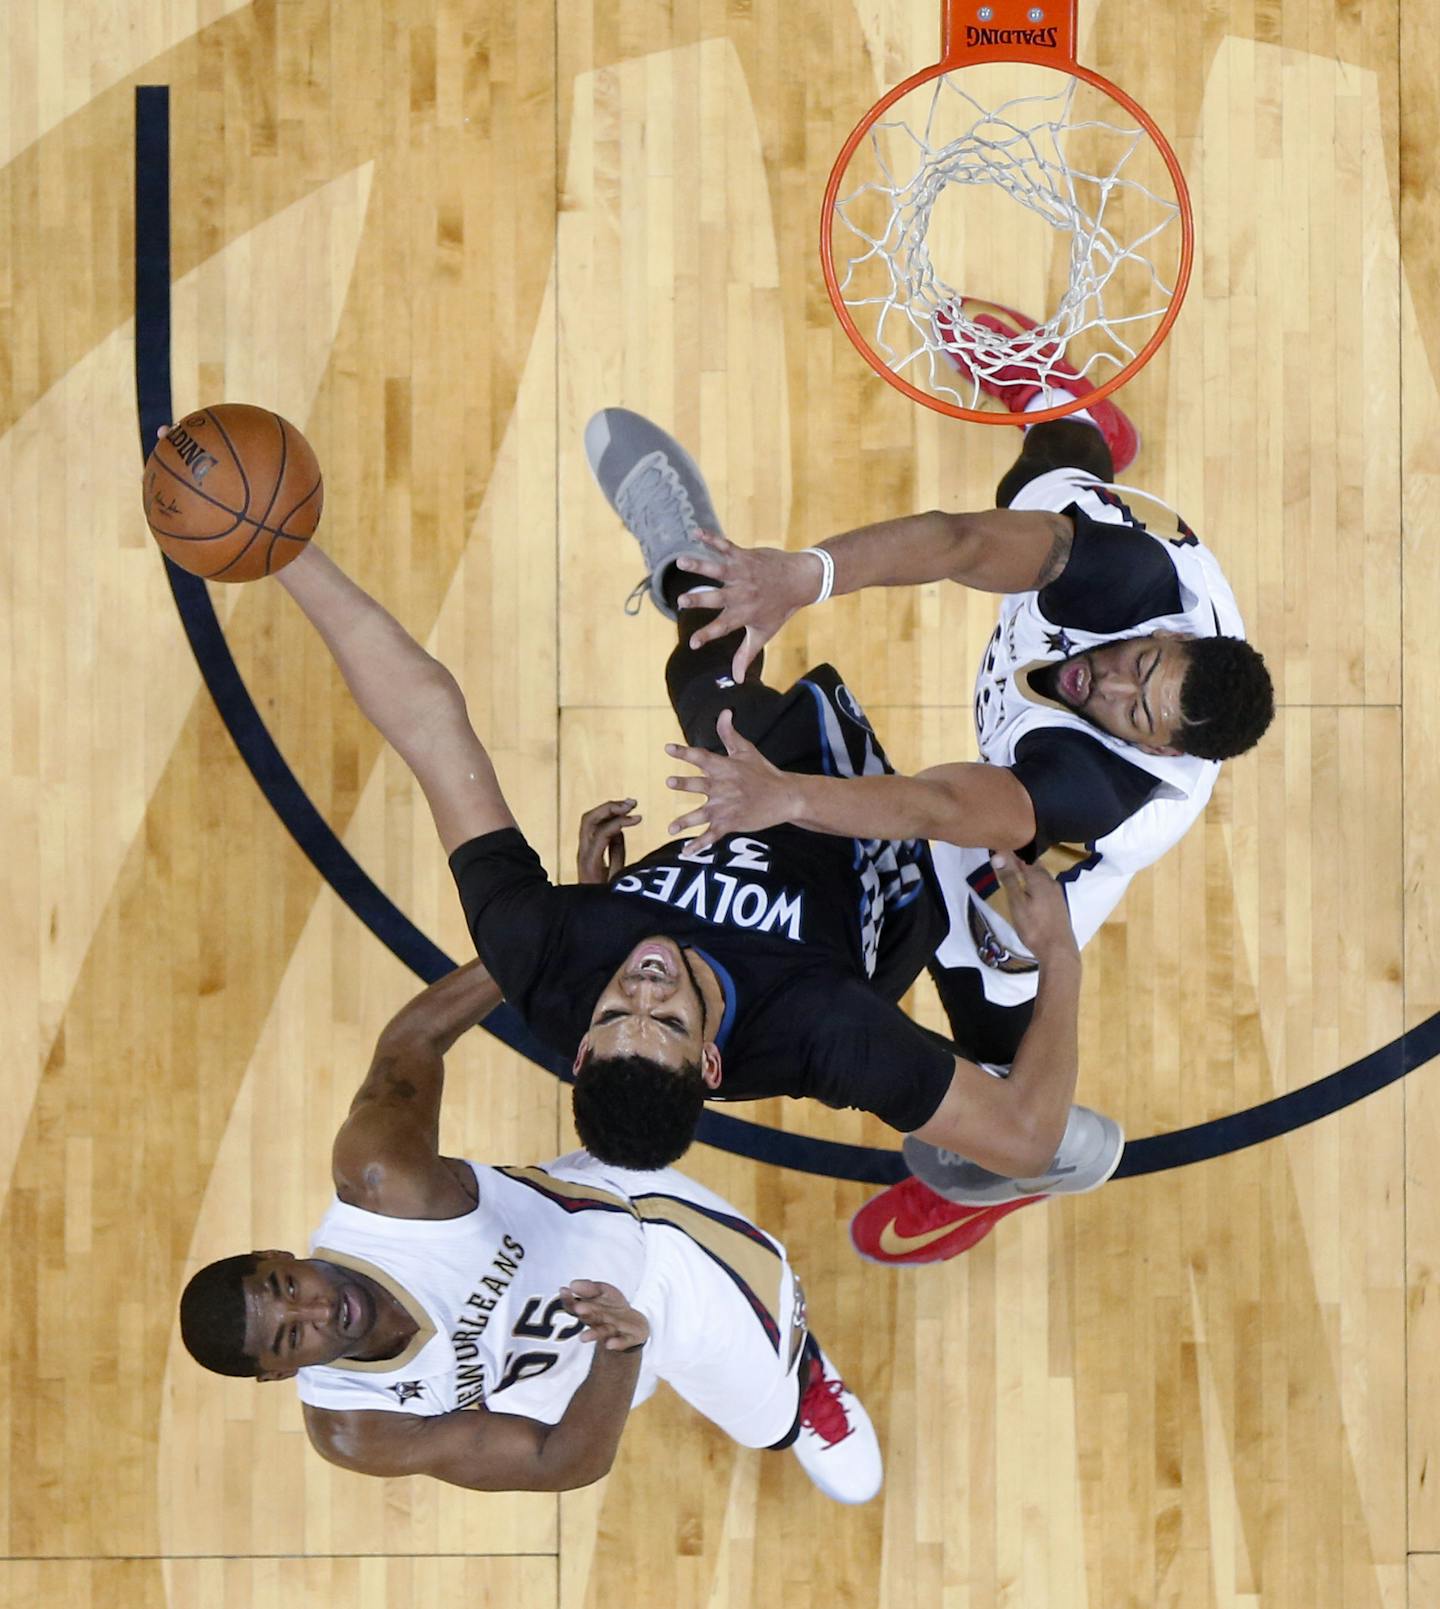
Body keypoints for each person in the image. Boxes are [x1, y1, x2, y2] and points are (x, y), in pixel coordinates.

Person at [248, 412, 1105, 1203]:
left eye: (618, 1011)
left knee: (704, 664)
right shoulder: (824, 1033)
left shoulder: (540, 953)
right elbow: (1026, 1136)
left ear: (580, 1045)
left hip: (758, 793)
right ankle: (1075, 483)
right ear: (709, 1055)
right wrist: (1060, 953)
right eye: (666, 1016)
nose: (644, 983)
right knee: (1018, 1051)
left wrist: (282, 549)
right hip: (896, 884)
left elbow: (429, 722)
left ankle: (690, 565)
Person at [647, 298, 1275, 1262]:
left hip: (1014, 883)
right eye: (1140, 663)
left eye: (1134, 708)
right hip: (1094, 577)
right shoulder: (1134, 583)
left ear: (1155, 749)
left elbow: (940, 809)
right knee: (1047, 482)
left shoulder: (1103, 792)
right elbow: (956, 543)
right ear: (1171, 633)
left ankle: (1009, 1172)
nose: (1106, 680)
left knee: (980, 1027)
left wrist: (786, 796)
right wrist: (800, 576)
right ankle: (1070, 408)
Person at [178, 958, 882, 1502]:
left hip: (646, 1245)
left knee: (767, 1411)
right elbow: (562, 1460)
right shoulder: (354, 1427)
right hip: (570, 1371)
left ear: (277, 1253)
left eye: (287, 1285)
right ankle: (659, 1358)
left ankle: (804, 1383)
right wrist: (619, 1347)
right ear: (281, 1372)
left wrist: (542, 944)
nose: (318, 1307)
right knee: (615, 1385)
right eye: (292, 1334)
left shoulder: (383, 1181)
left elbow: (414, 1037)